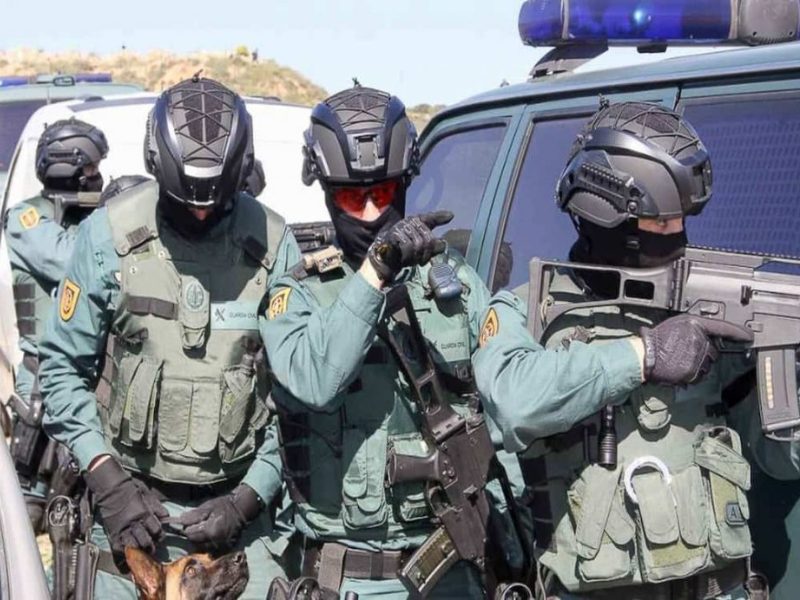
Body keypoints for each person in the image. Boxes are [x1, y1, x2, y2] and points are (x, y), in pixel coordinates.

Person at [473, 101, 782, 599]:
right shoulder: (527, 311)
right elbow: (513, 403)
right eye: (661, 224)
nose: (677, 237)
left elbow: (778, 459)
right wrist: (644, 356)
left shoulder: (705, 302)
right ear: (605, 216)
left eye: (682, 221)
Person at [37, 76, 301, 599]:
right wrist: (106, 478)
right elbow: (61, 368)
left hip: (238, 522)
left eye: (215, 203)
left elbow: (298, 399)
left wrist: (250, 497)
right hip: (128, 511)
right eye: (186, 203)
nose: (201, 212)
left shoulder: (274, 245)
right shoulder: (107, 236)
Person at [5, 117, 108, 533]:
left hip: (85, 377)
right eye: (91, 168)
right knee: (26, 512)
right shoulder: (26, 218)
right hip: (39, 382)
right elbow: (69, 259)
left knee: (76, 510)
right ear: (69, 167)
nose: (98, 177)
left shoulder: (90, 219)